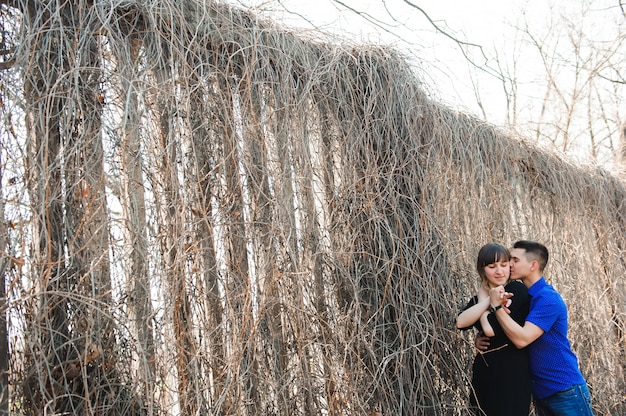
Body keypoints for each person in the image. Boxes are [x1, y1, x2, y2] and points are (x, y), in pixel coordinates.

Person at [487, 240, 594, 416]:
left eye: (514, 259)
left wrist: (497, 307)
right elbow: (509, 330)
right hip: (542, 393)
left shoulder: (548, 299)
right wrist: (484, 337)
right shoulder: (525, 297)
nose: (509, 264)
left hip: (564, 390)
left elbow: (521, 339)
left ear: (533, 265)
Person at [456, 242, 531, 416]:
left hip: (511, 372)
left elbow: (490, 330)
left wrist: (489, 302)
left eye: (504, 265)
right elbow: (460, 322)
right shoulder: (481, 299)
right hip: (485, 371)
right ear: (482, 270)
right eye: (492, 266)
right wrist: (488, 299)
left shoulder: (516, 290)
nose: (499, 271)